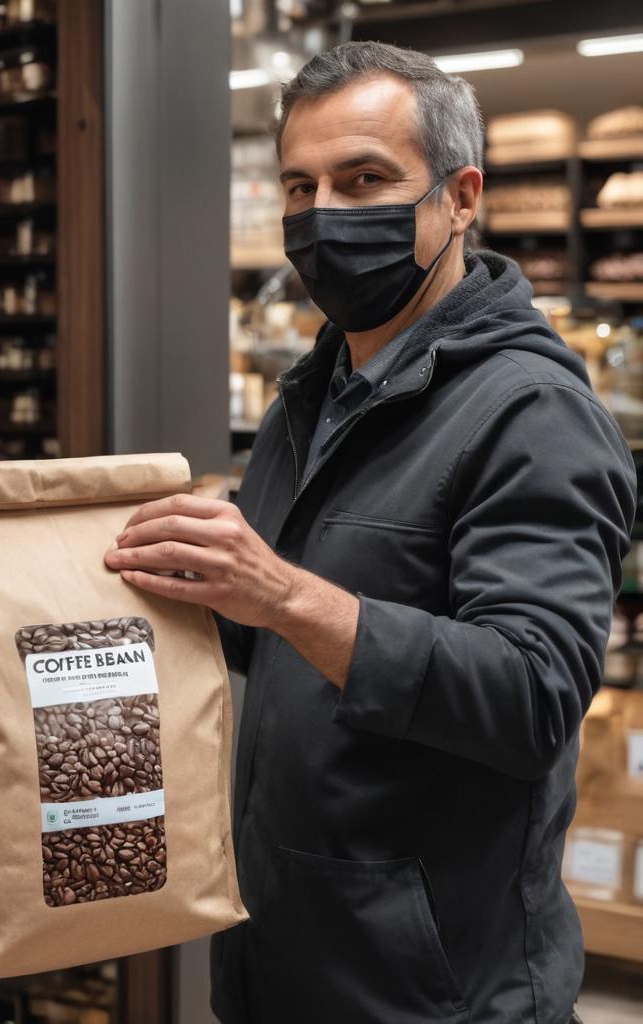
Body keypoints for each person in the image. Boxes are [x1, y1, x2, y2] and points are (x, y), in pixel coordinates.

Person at [104, 40, 637, 1024]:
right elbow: (291, 642)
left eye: (364, 180)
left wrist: (281, 590)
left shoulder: (532, 415)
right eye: (300, 186)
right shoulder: (312, 396)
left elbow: (532, 694)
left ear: (459, 196)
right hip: (283, 961)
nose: (323, 217)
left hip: (432, 992)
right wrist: (186, 589)